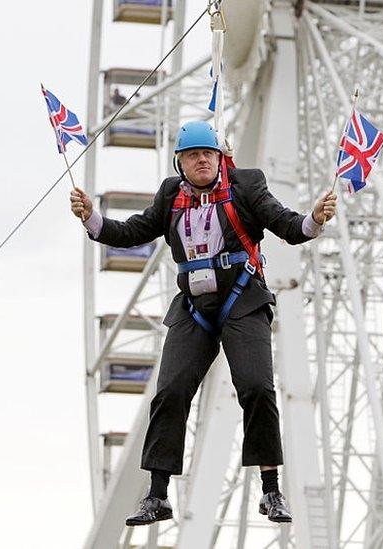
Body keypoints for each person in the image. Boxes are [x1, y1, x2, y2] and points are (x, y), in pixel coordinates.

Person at [69, 120, 337, 526]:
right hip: (194, 307)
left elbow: (285, 224)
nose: (202, 161)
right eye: (193, 156)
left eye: (208, 154)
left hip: (243, 300)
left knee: (257, 387)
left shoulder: (247, 185)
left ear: (220, 157)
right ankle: (157, 496)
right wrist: (92, 218)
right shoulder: (170, 196)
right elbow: (131, 232)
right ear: (180, 162)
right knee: (170, 391)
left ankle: (270, 489)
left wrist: (314, 219)